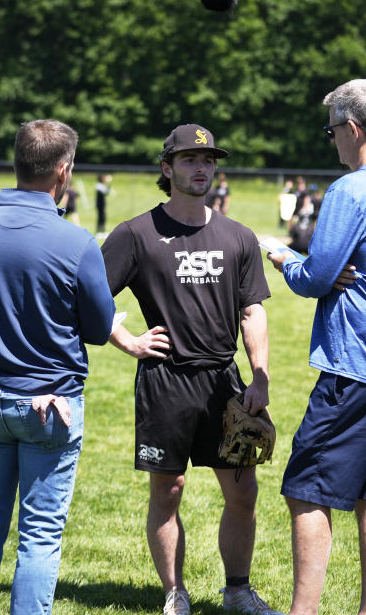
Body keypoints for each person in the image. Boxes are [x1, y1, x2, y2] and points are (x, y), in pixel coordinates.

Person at [100, 124, 282, 615]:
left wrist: (259, 375)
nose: (201, 168)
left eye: (208, 160)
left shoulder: (237, 236)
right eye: (189, 160)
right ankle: (174, 593)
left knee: (243, 492)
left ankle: (237, 592)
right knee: (169, 488)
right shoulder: (137, 234)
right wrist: (128, 340)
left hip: (224, 382)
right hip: (165, 382)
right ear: (167, 168)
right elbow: (89, 298)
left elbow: (253, 311)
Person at [266, 78, 366, 615]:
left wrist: (285, 258)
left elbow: (315, 276)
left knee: (305, 488)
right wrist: (326, 271)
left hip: (358, 364)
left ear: (353, 128)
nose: (331, 140)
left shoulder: (351, 190)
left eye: (332, 130)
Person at [0, 119, 116, 614]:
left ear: (16, 162)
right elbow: (99, 326)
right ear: (63, 172)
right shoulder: (77, 242)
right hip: (50, 402)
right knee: (39, 534)